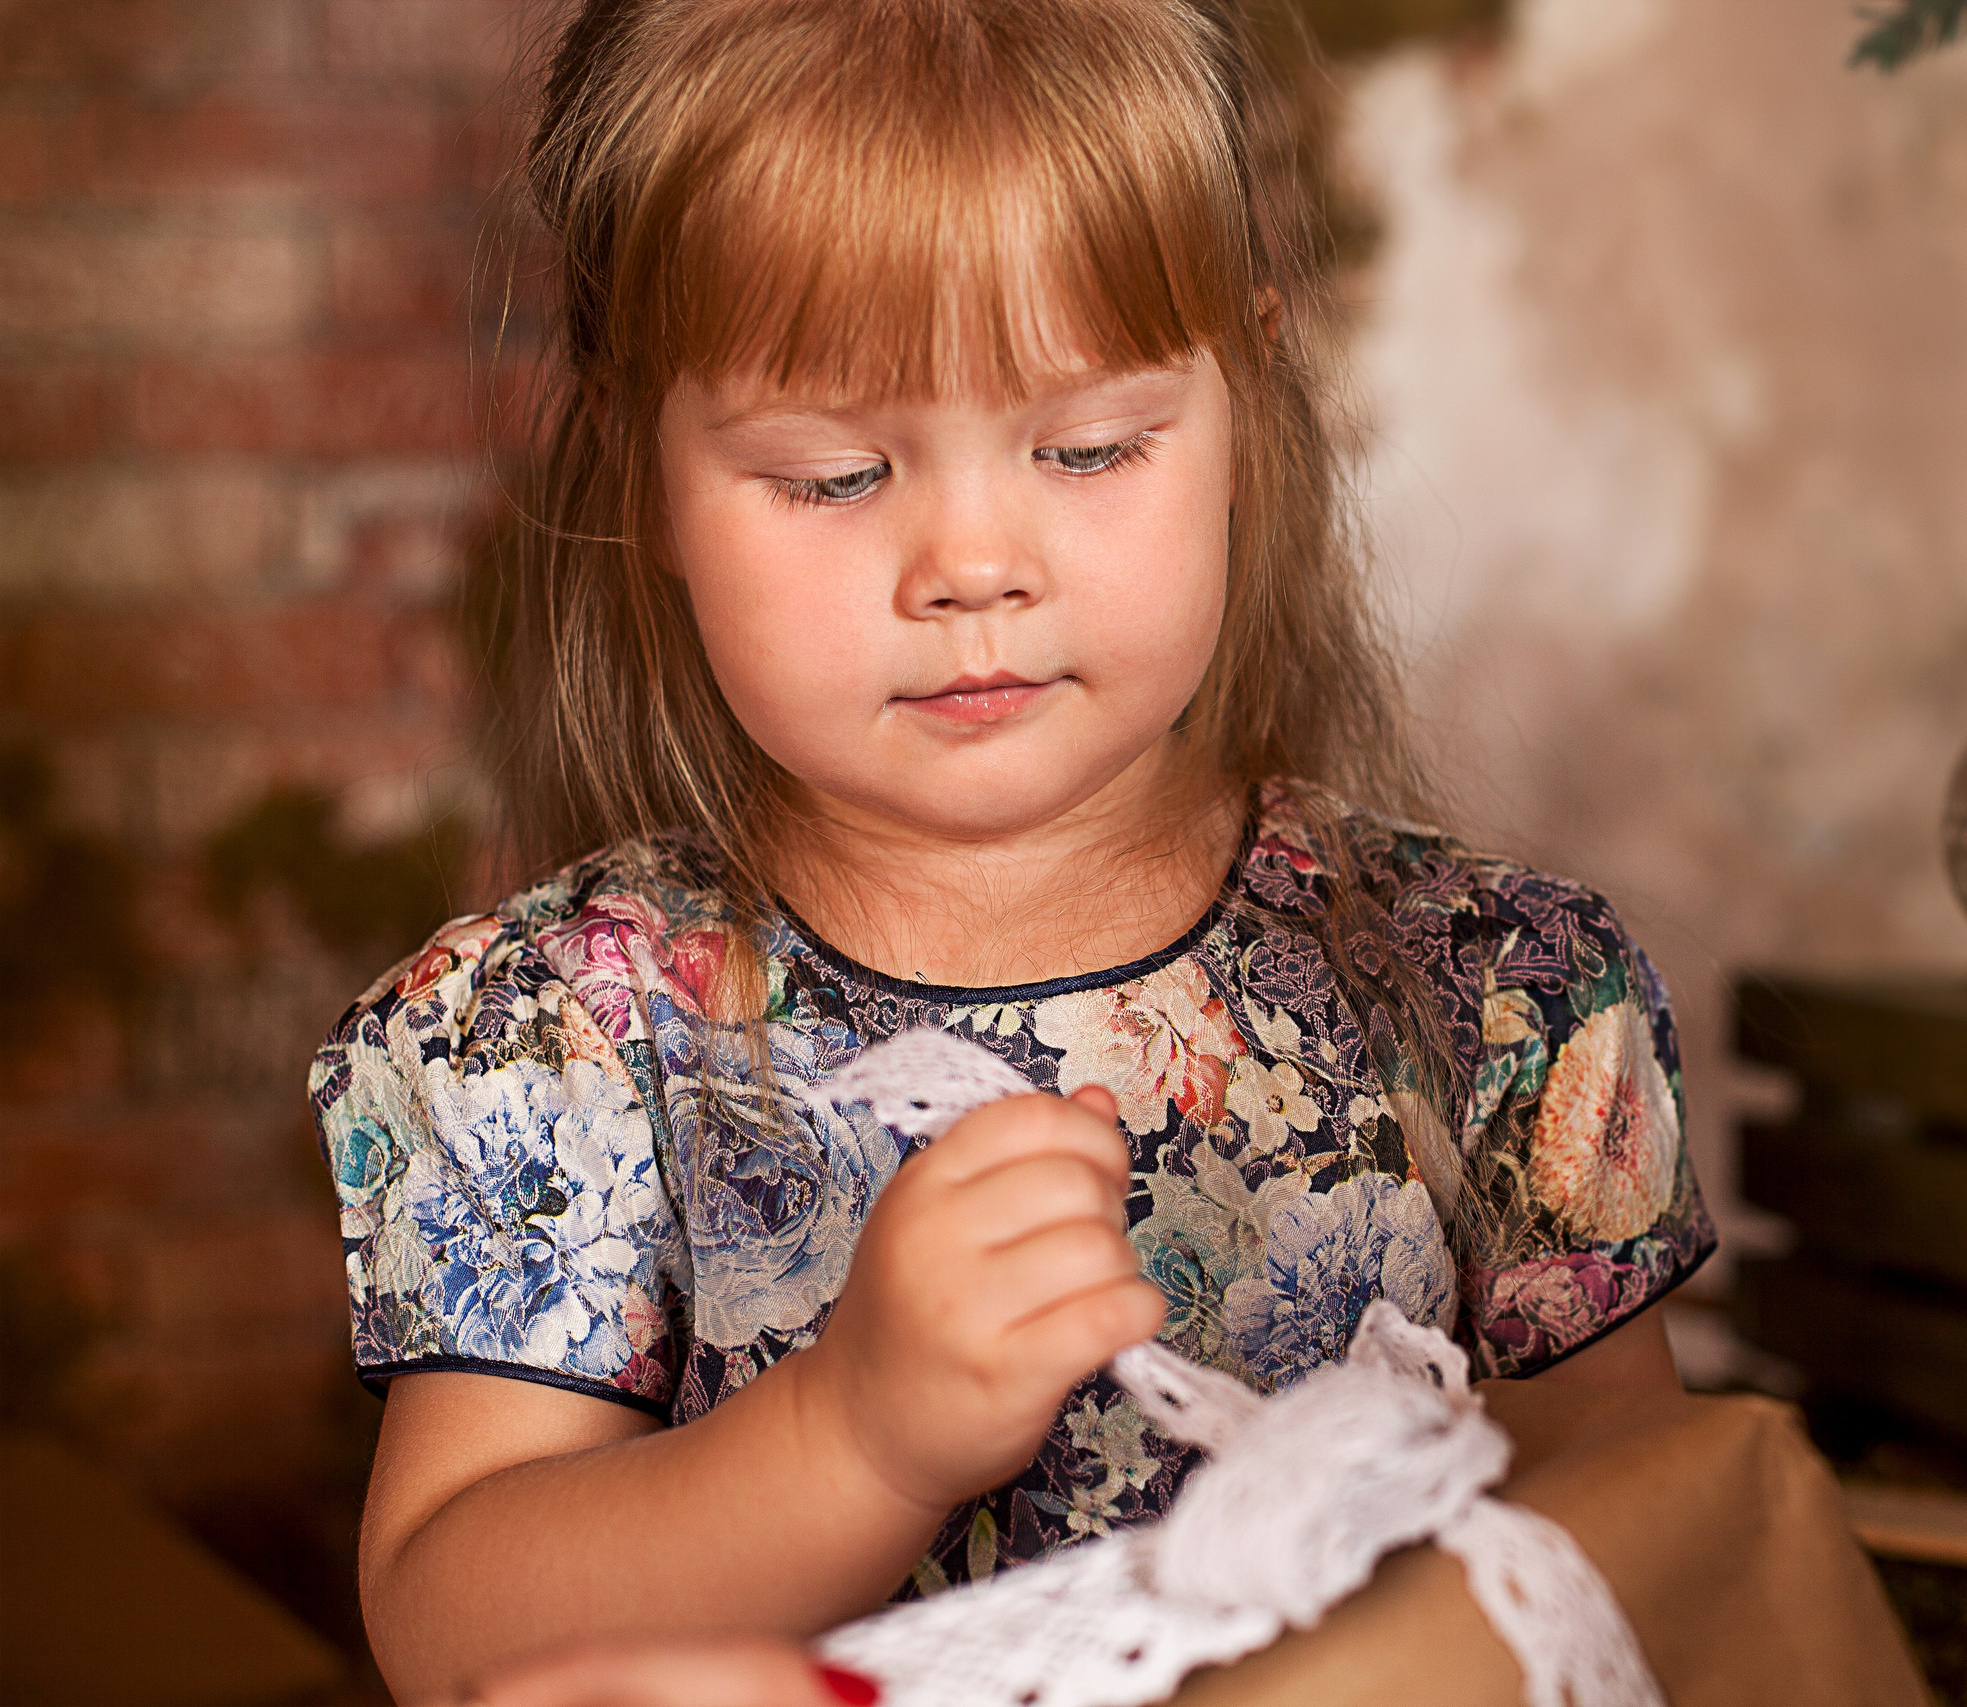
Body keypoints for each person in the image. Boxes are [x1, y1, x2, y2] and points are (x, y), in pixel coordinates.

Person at [311, 0, 1717, 1699]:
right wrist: (856, 1435)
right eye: (832, 476)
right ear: (639, 471)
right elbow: (455, 1629)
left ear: (1246, 415)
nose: (973, 565)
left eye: (1089, 447)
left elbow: (1652, 1564)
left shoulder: (1494, 1000)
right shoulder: (552, 1046)